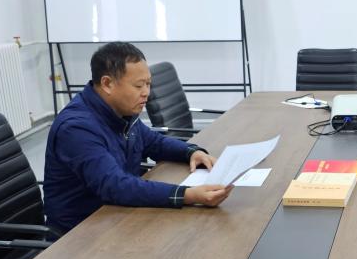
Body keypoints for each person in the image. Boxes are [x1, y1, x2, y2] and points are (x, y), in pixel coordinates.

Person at [44, 42, 231, 233]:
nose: (146, 93)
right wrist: (188, 195)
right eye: (139, 85)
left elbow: (154, 142)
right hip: (80, 234)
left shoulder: (121, 111)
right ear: (107, 84)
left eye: (148, 84)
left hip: (120, 217)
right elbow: (115, 186)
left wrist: (192, 152)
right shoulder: (76, 128)